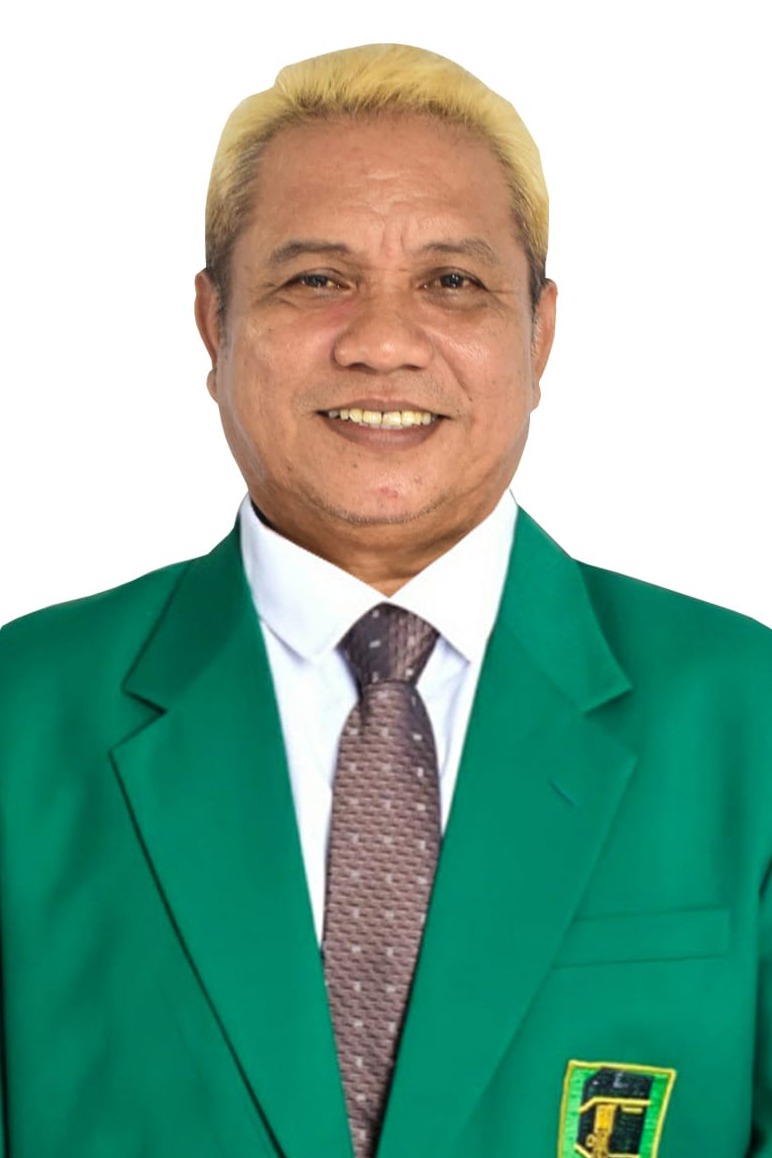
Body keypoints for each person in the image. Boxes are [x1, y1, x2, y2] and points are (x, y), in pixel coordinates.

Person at [0, 42, 771, 1158]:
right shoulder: (22, 718)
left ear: (538, 333)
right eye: (316, 280)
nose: (382, 343)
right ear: (215, 325)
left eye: (451, 283)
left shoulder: (746, 715)